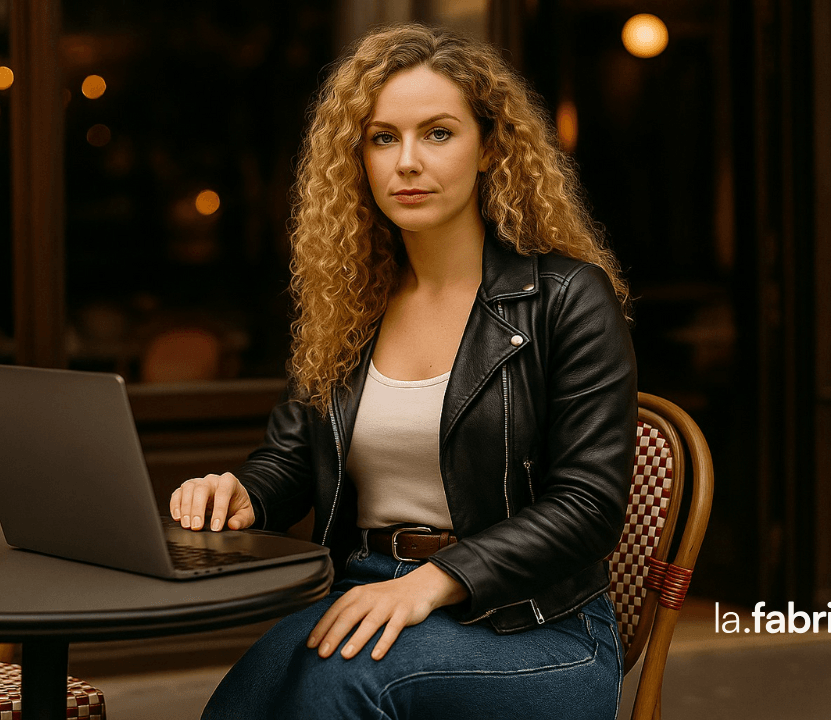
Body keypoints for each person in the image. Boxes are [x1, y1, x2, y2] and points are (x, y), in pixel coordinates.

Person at [171, 23, 636, 720]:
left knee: (340, 684)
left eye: (438, 133)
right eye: (383, 137)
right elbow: (291, 459)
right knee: (242, 702)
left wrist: (436, 580)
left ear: (489, 149)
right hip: (371, 585)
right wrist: (241, 492)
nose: (407, 162)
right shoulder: (349, 303)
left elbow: (588, 508)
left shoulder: (567, 298)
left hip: (536, 624)